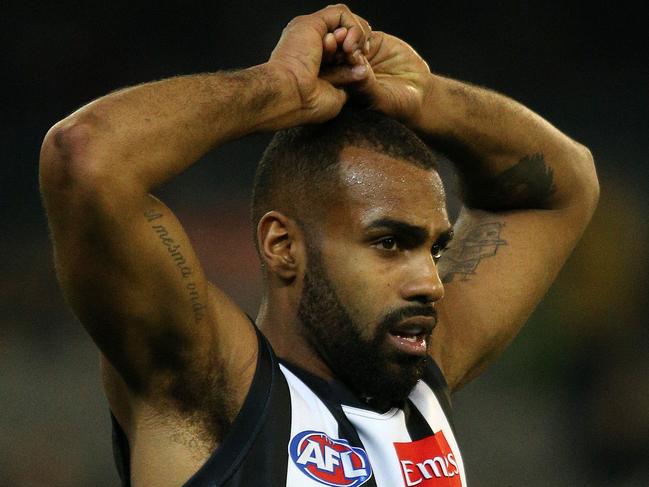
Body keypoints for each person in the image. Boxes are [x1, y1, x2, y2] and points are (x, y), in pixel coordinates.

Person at [39, 5, 599, 487]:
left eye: (433, 248)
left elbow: (568, 182)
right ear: (283, 246)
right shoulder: (210, 390)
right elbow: (88, 158)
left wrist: (424, 98)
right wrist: (279, 88)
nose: (429, 280)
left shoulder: (421, 374)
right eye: (388, 243)